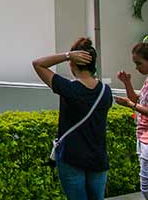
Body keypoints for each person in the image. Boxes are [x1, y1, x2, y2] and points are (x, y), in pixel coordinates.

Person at [32, 38, 112, 200]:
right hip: (98, 158)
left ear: (72, 64)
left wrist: (68, 55)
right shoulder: (106, 92)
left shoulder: (68, 89)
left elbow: (38, 64)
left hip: (71, 158)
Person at [115, 42, 148, 200]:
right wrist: (127, 83)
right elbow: (139, 100)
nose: (137, 68)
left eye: (139, 63)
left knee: (147, 186)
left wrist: (131, 105)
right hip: (142, 136)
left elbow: (136, 104)